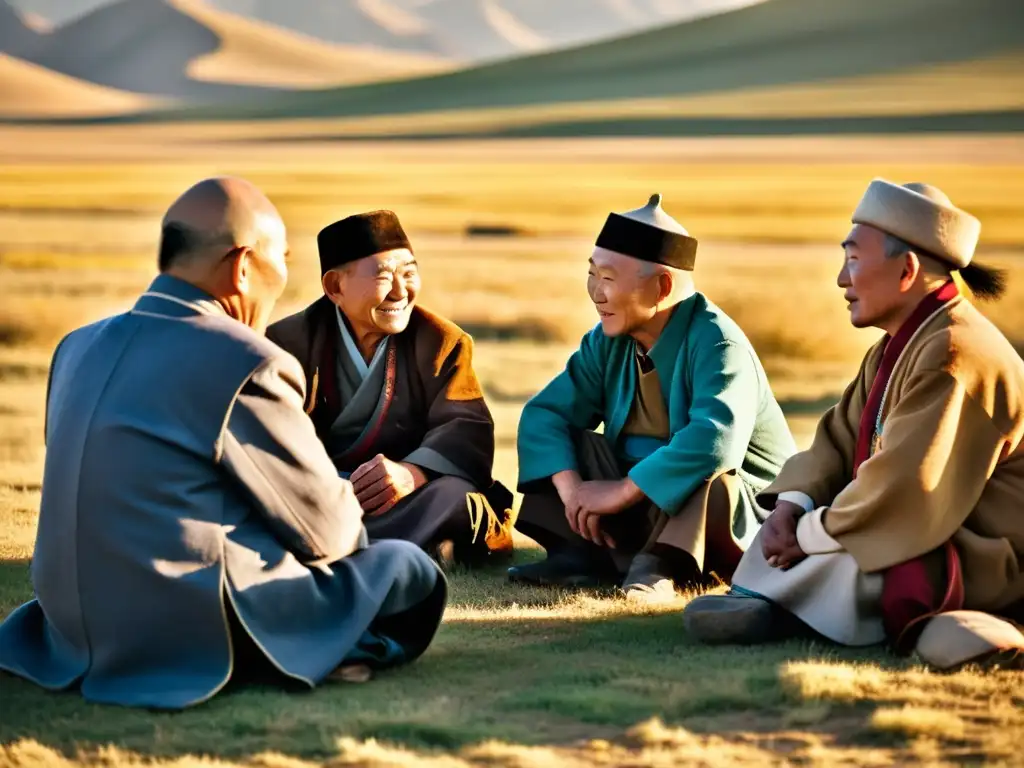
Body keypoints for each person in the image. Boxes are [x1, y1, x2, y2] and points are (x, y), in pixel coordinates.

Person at [0, 178, 447, 709]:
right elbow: (328, 532)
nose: (283, 276)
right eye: (280, 258)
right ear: (242, 266)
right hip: (188, 625)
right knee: (407, 568)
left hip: (64, 622)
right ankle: (326, 650)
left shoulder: (76, 346)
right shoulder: (247, 360)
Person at [684, 179, 1024, 670]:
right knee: (794, 535)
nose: (842, 280)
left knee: (866, 555)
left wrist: (805, 535)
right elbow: (838, 439)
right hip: (920, 522)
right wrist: (792, 506)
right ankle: (785, 601)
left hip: (986, 548)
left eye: (854, 260)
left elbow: (908, 488)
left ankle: (783, 609)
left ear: (906, 271)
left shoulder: (954, 353)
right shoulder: (901, 343)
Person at [509, 194, 797, 598]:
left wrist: (621, 490)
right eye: (592, 274)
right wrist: (575, 492)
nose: (596, 292)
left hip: (729, 511)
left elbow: (715, 441)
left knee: (709, 475)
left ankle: (663, 565)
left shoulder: (717, 343)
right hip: (642, 498)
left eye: (608, 278)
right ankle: (580, 554)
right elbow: (545, 414)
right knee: (565, 441)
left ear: (661, 286)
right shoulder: (606, 341)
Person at [266, 210, 513, 567]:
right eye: (383, 276)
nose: (401, 291)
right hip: (324, 494)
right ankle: (413, 546)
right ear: (335, 286)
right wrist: (333, 486)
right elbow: (270, 437)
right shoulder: (288, 341)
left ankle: (343, 547)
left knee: (456, 497)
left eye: (409, 273)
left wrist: (412, 474)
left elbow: (466, 428)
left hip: (409, 498)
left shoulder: (441, 341)